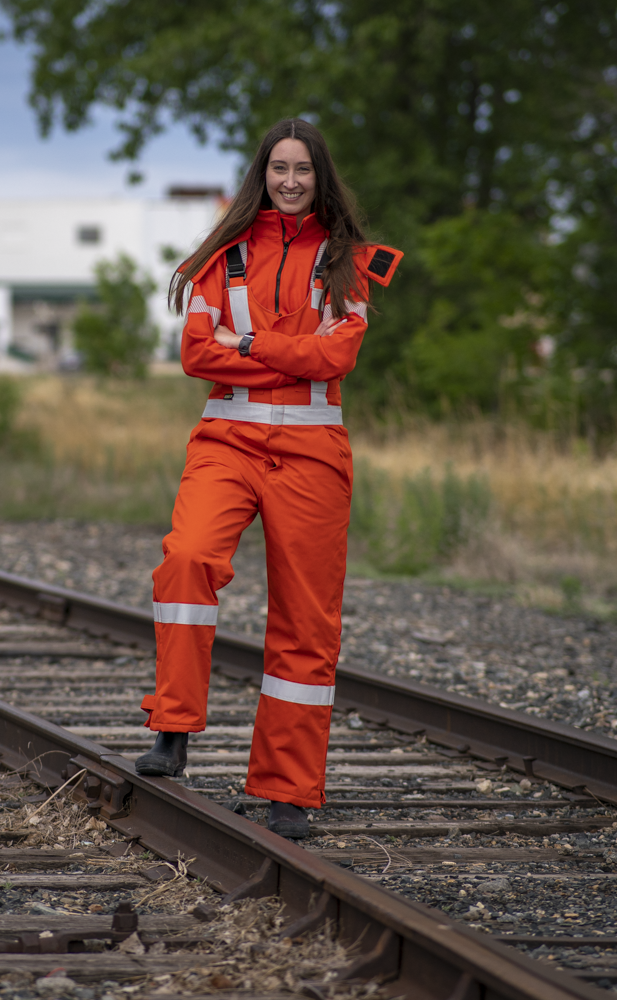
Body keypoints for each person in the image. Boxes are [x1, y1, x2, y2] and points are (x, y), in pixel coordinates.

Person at [135, 118, 402, 839]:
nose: (290, 181)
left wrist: (248, 341)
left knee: (306, 621)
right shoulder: (222, 255)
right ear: (262, 174)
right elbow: (197, 354)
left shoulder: (349, 260)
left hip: (314, 455)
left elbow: (336, 358)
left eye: (303, 170)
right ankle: (172, 728)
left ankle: (288, 788)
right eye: (279, 168)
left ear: (321, 178)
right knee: (186, 560)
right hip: (226, 440)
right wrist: (291, 353)